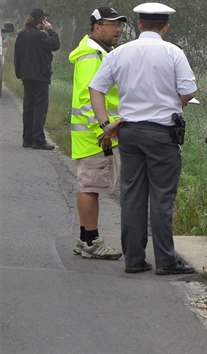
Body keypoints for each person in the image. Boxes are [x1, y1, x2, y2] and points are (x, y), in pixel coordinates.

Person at [89, 2, 197, 275]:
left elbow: (96, 88)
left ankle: (134, 260)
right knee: (161, 198)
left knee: (133, 195)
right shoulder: (173, 53)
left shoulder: (120, 53)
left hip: (130, 133)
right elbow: (188, 91)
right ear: (165, 27)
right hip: (162, 134)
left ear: (138, 25)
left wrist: (106, 124)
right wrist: (172, 105)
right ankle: (165, 261)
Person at [68, 7, 129, 260]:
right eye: (111, 24)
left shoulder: (97, 53)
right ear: (96, 27)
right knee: (90, 187)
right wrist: (103, 129)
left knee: (89, 186)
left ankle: (85, 239)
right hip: (97, 136)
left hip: (93, 135)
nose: (118, 29)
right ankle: (92, 241)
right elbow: (87, 98)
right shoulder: (92, 56)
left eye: (119, 25)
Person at [14, 8, 60, 150]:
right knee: (40, 108)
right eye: (44, 20)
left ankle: (27, 139)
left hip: (26, 77)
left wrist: (19, 73)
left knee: (28, 108)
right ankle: (38, 140)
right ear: (41, 20)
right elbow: (55, 45)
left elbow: (17, 56)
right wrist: (51, 30)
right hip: (40, 77)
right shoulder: (41, 36)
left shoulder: (22, 35)